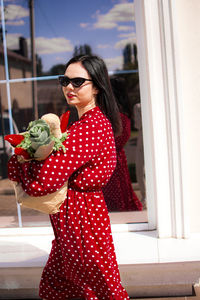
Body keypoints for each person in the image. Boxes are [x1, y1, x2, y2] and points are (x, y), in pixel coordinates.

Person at [7, 55, 130, 300]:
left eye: (77, 81)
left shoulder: (90, 126)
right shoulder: (84, 123)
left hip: (82, 222)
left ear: (96, 86)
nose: (68, 87)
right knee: (59, 288)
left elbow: (47, 179)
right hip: (75, 222)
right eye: (64, 80)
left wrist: (18, 162)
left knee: (102, 291)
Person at [102, 76, 143, 212]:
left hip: (113, 162)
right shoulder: (123, 114)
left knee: (116, 197)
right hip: (117, 160)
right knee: (122, 194)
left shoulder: (117, 117)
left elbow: (116, 141)